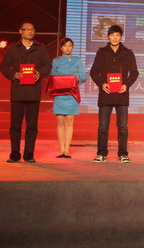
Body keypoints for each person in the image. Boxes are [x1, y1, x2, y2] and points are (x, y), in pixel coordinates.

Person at [0, 23, 51, 163]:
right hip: (18, 91)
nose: (29, 32)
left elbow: (48, 65)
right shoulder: (13, 49)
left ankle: (29, 154)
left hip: (33, 91)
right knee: (15, 125)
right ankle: (14, 154)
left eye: (32, 29)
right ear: (20, 31)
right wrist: (13, 74)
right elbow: (3, 66)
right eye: (26, 29)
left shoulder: (40, 48)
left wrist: (40, 73)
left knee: (32, 126)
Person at [89, 25, 138, 163]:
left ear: (121, 37)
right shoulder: (102, 52)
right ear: (108, 37)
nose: (115, 38)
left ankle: (123, 154)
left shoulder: (128, 53)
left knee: (122, 127)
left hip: (122, 94)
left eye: (117, 35)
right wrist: (102, 84)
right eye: (112, 35)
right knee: (103, 127)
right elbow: (93, 72)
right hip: (106, 94)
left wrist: (126, 85)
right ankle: (101, 153)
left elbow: (134, 73)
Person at [51, 38, 87, 158]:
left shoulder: (77, 60)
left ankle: (67, 150)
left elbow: (83, 77)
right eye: (65, 46)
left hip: (72, 94)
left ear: (72, 47)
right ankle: (61, 149)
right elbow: (52, 76)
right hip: (60, 94)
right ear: (61, 48)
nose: (67, 48)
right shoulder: (56, 61)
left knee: (69, 121)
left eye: (70, 45)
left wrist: (77, 79)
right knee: (60, 121)